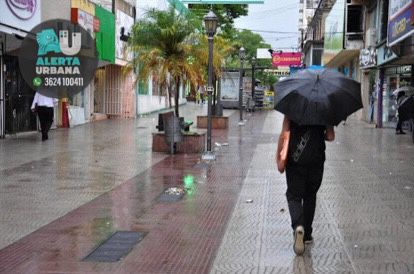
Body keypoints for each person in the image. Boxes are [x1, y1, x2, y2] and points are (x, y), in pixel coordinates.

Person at [276, 116, 335, 256]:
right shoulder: (324, 108)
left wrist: (279, 159)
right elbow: (331, 136)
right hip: (316, 159)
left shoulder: (292, 107)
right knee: (310, 195)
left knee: (293, 195)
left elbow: (284, 133)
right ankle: (307, 234)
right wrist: (320, 134)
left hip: (295, 157)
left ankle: (298, 226)